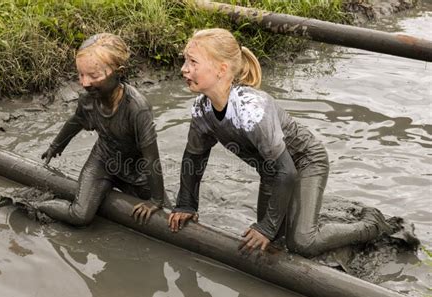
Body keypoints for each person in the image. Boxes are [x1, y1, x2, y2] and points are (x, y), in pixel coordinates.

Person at [168, 28, 393, 257]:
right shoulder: (201, 108)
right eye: (185, 60)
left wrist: (266, 227)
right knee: (272, 243)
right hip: (273, 172)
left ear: (221, 69)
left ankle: (372, 224)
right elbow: (194, 158)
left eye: (193, 62)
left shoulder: (251, 109)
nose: (184, 68)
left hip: (305, 162)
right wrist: (186, 204)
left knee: (302, 243)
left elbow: (287, 171)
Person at [37, 33, 167, 226]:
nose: (84, 83)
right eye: (80, 75)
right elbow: (75, 122)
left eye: (93, 76)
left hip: (137, 173)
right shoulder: (88, 101)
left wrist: (156, 201)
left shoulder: (137, 108)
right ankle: (36, 205)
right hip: (103, 162)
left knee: (166, 215)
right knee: (79, 216)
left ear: (119, 72)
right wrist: (55, 146)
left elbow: (151, 157)